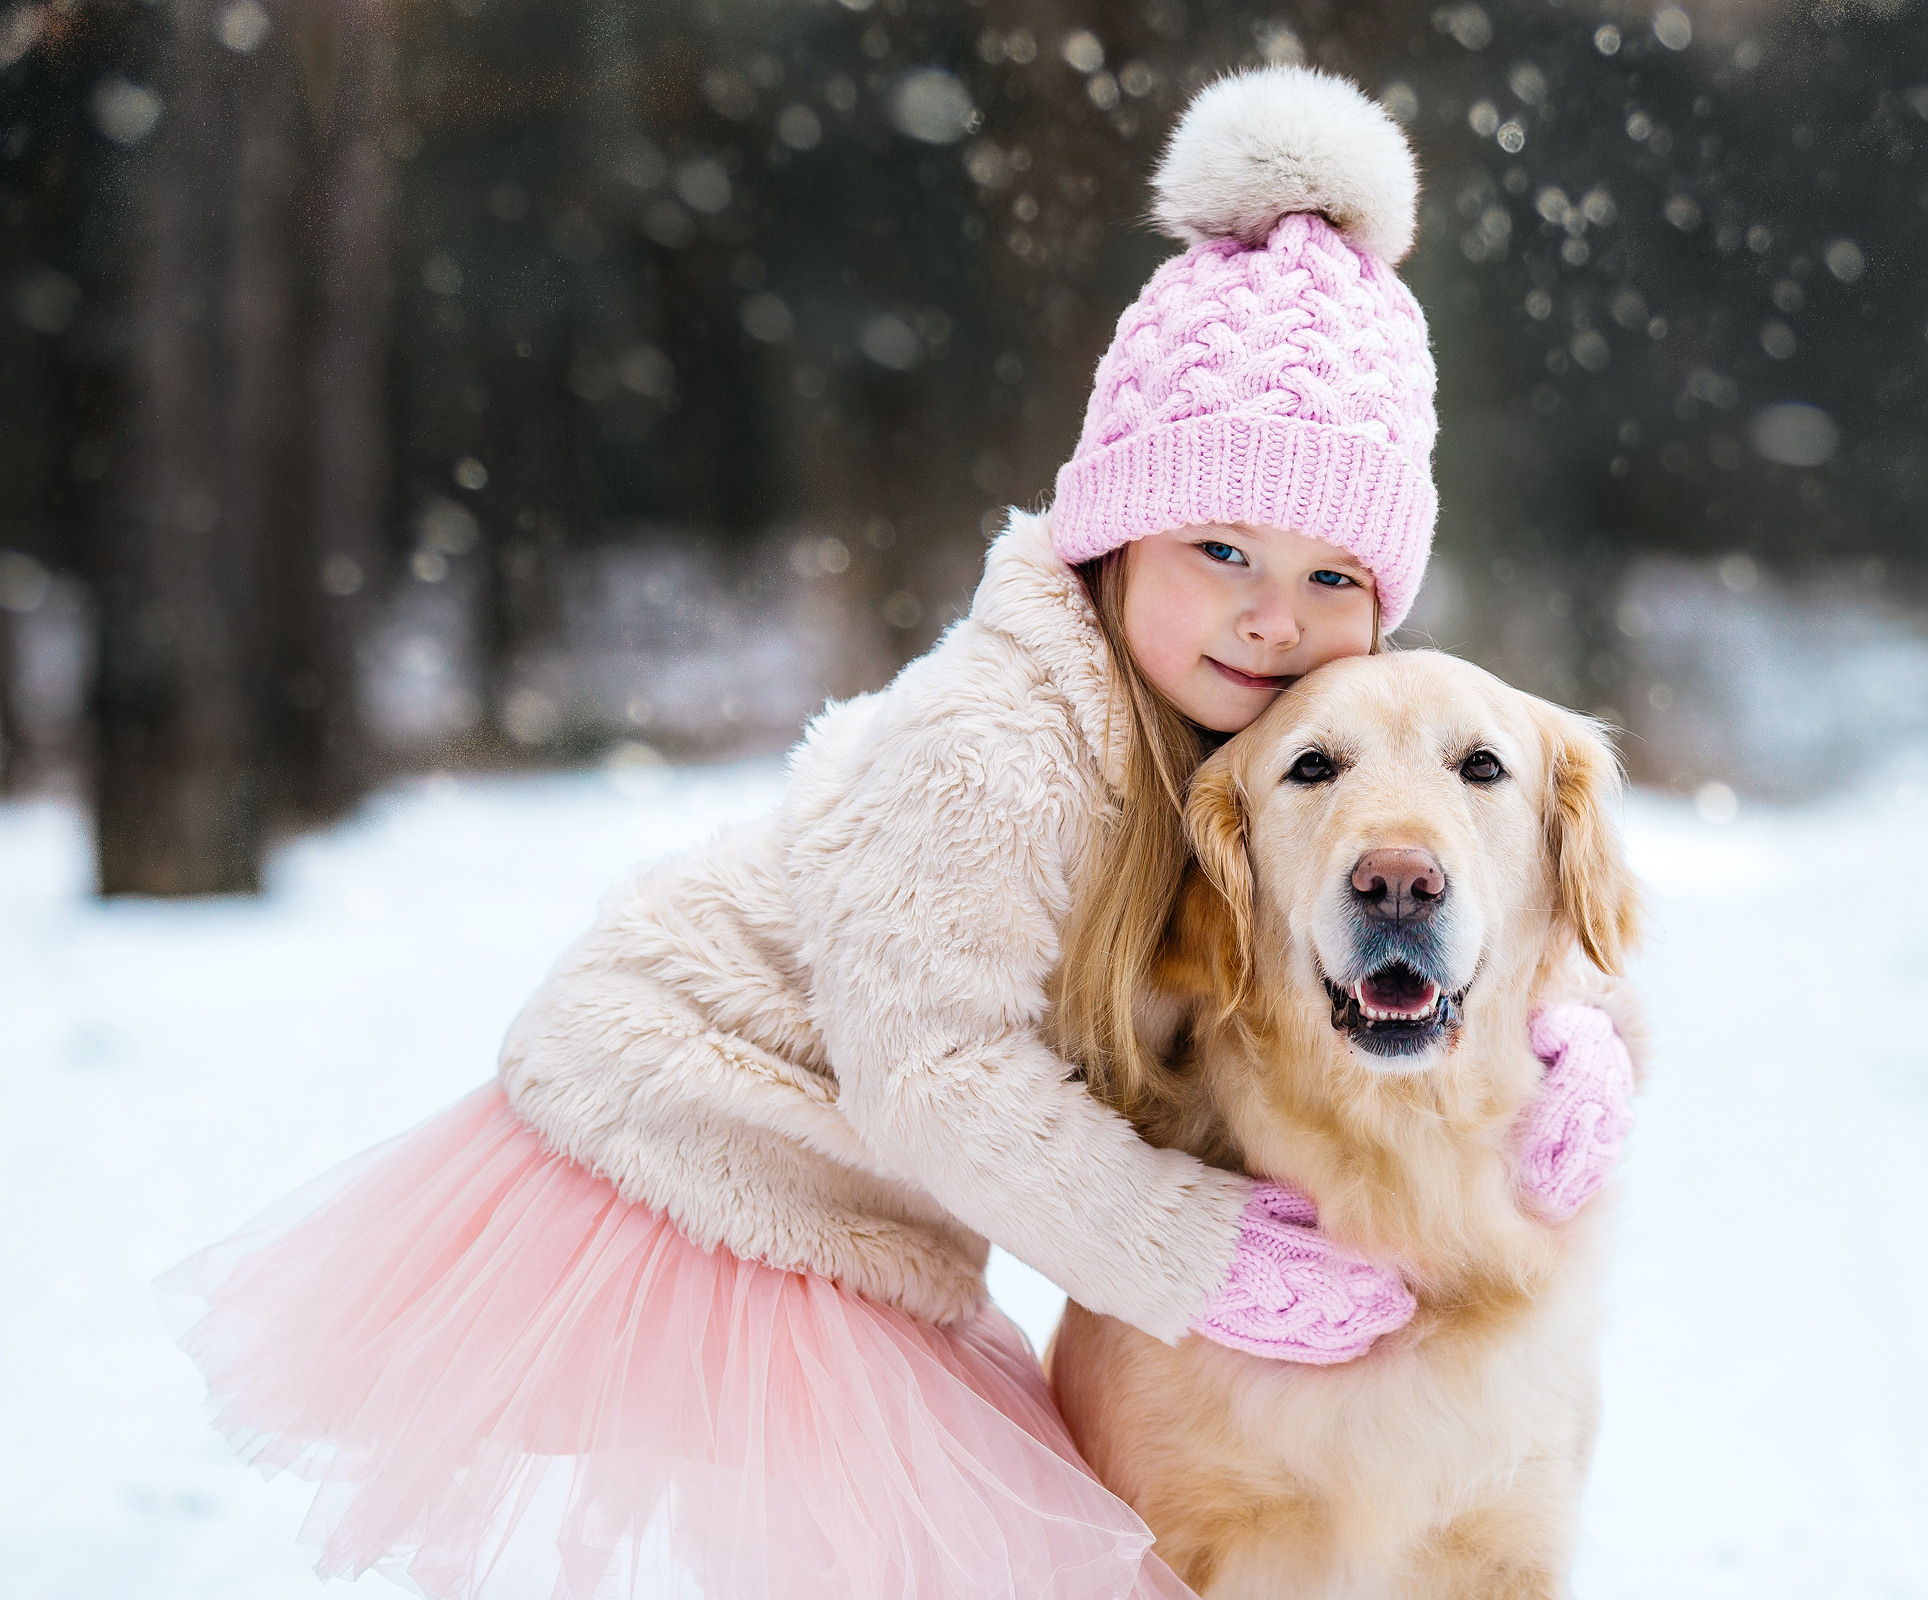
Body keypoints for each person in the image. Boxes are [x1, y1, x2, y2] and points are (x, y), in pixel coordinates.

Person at [165, 66, 1638, 1600]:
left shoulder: (1262, 751)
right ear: (1114, 537)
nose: (1277, 613)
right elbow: (934, 1074)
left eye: (1334, 575)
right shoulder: (992, 741)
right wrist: (1197, 1257)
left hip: (876, 1176)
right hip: (711, 1145)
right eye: (1220, 548)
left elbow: (1490, 912)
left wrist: (1576, 1039)